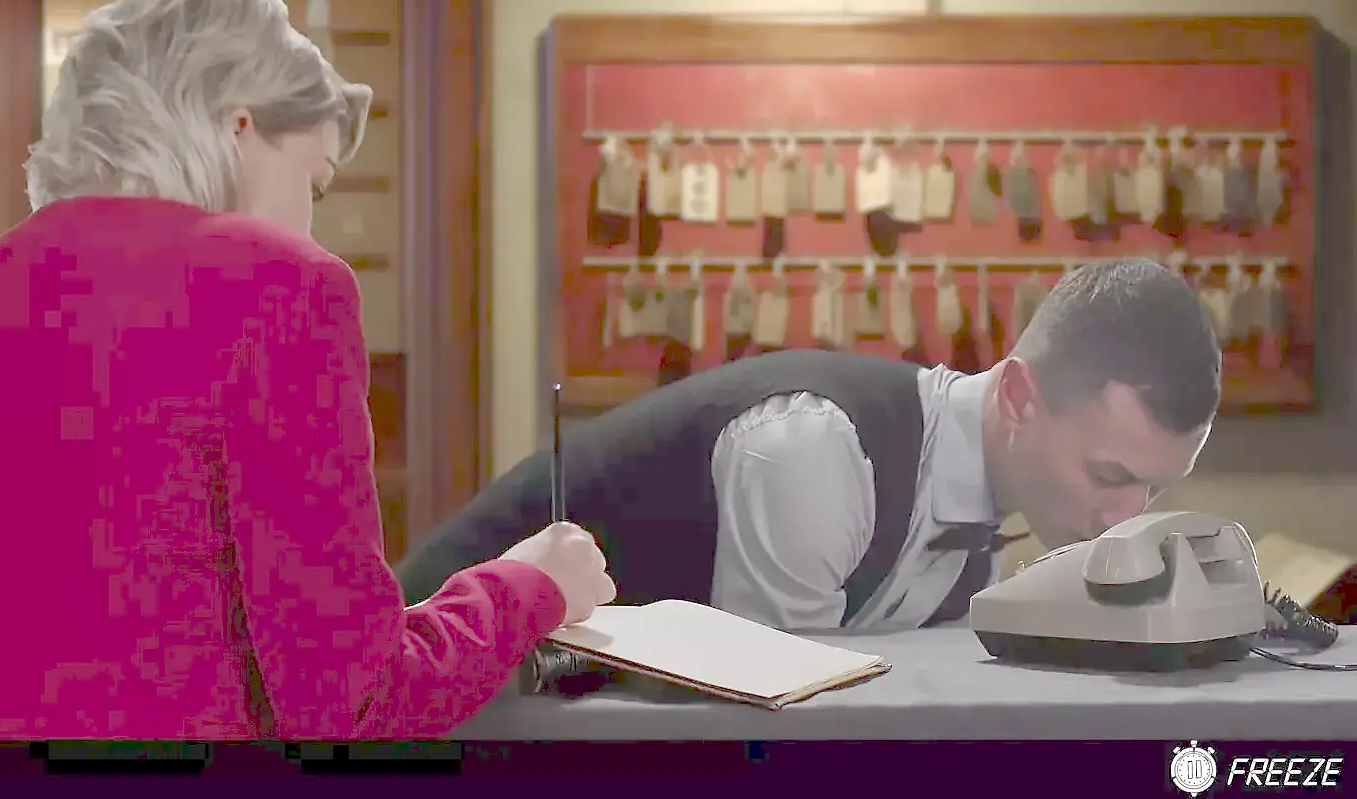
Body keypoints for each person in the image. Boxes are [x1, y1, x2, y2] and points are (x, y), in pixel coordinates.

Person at [0, 0, 616, 741]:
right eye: (315, 182)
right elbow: (350, 701)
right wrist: (528, 585)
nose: (311, 220)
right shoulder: (280, 286)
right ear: (238, 127)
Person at [398, 258, 1220, 632]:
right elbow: (785, 743)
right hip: (426, 705)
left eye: (1154, 490)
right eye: (1109, 475)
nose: (1125, 518)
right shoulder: (815, 452)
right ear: (1017, 398)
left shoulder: (983, 507)